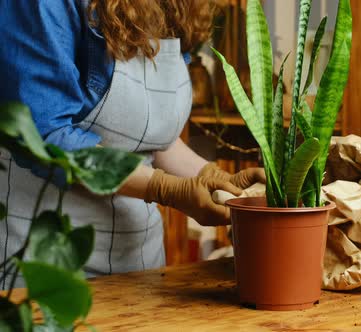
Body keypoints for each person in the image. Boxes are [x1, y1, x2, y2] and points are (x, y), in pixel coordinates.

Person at [0, 0, 264, 285]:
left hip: (140, 263)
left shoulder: (175, 6)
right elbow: (45, 137)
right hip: (45, 263)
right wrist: (164, 188)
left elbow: (151, 137)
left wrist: (214, 178)